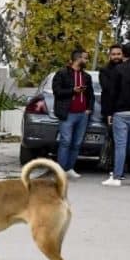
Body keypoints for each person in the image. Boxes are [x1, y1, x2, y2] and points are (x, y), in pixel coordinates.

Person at [101, 43, 130, 186]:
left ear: (124, 53)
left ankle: (116, 177)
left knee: (120, 146)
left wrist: (110, 112)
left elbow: (112, 93)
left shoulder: (118, 70)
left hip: (121, 112)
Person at [51, 47, 94, 178]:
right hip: (67, 114)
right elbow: (57, 92)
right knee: (66, 142)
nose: (87, 60)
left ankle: (70, 168)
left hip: (82, 115)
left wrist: (89, 109)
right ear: (78, 59)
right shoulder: (62, 73)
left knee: (76, 143)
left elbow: (90, 95)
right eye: (85, 58)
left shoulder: (86, 76)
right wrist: (73, 90)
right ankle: (61, 171)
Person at [98, 43, 124, 174]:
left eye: (118, 54)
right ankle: (111, 167)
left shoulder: (127, 68)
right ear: (109, 56)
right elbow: (107, 90)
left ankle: (120, 168)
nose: (116, 57)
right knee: (112, 139)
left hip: (125, 110)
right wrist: (109, 113)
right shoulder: (104, 71)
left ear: (123, 54)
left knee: (121, 141)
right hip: (110, 111)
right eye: (113, 54)